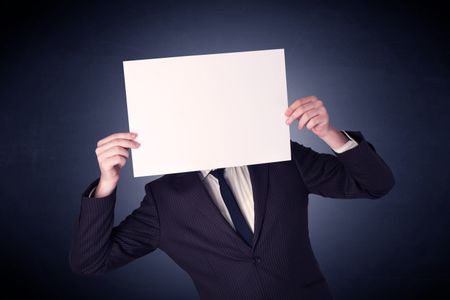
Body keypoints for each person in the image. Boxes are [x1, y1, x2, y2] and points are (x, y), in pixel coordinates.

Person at [69, 95, 395, 299]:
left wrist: (329, 133)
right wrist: (107, 183)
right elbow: (90, 262)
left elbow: (376, 184)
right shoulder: (164, 198)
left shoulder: (282, 159)